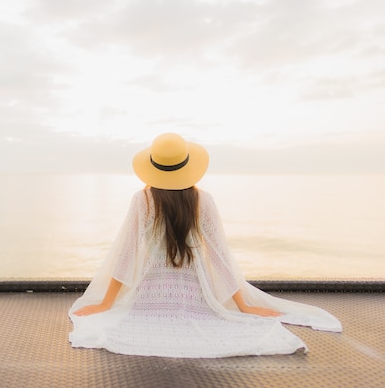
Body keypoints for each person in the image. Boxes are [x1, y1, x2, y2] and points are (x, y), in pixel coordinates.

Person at [69, 133, 342, 358]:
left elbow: (126, 254)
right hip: (196, 293)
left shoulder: (143, 199)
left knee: (123, 324)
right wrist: (243, 305)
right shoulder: (203, 200)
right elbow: (220, 256)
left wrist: (106, 303)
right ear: (187, 166)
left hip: (149, 295)